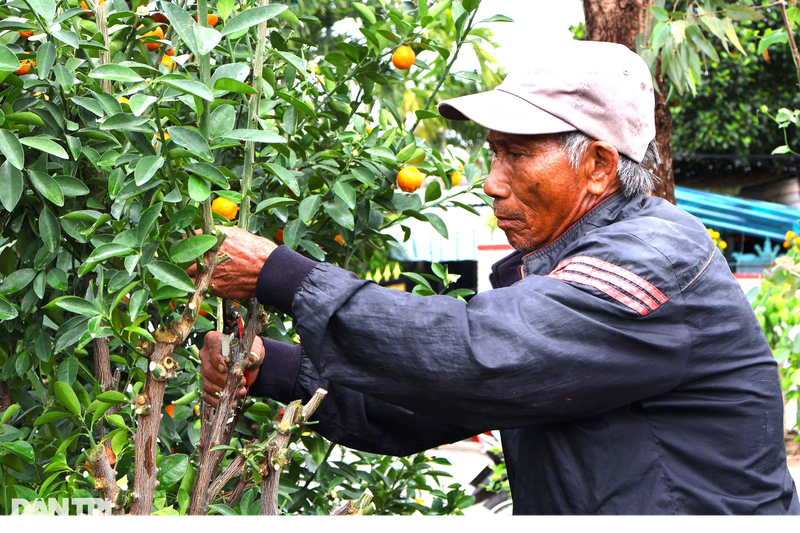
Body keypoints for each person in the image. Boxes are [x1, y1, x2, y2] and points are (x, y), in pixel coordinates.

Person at [197, 41, 800, 515]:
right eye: (493, 152)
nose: (491, 181)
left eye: (516, 153)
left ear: (596, 165)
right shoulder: (571, 262)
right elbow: (430, 405)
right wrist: (271, 367)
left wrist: (283, 276)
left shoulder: (653, 257)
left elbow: (480, 355)